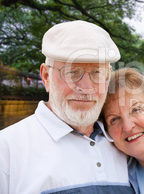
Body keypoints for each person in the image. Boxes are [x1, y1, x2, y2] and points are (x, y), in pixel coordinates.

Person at [0, 20, 133, 193]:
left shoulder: (125, 144)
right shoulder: (7, 149)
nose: (85, 87)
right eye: (72, 72)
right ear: (46, 76)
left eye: (97, 73)